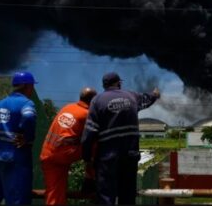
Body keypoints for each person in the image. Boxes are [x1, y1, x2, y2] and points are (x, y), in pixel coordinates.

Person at [81, 72, 160, 205]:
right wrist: (155, 94)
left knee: (106, 196)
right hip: (130, 156)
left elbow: (90, 132)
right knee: (128, 195)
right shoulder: (132, 96)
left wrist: (87, 157)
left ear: (104, 85)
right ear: (118, 83)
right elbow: (148, 98)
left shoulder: (97, 101)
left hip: (107, 158)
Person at [40, 87, 97, 205]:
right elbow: (91, 140)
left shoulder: (67, 107)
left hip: (48, 153)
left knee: (54, 193)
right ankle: (90, 180)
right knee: (96, 145)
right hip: (64, 154)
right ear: (93, 101)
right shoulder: (87, 115)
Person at [0, 71, 38, 204]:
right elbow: (28, 117)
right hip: (17, 156)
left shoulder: (1, 103)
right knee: (18, 198)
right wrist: (27, 137)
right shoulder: (26, 103)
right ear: (28, 86)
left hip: (0, 155)